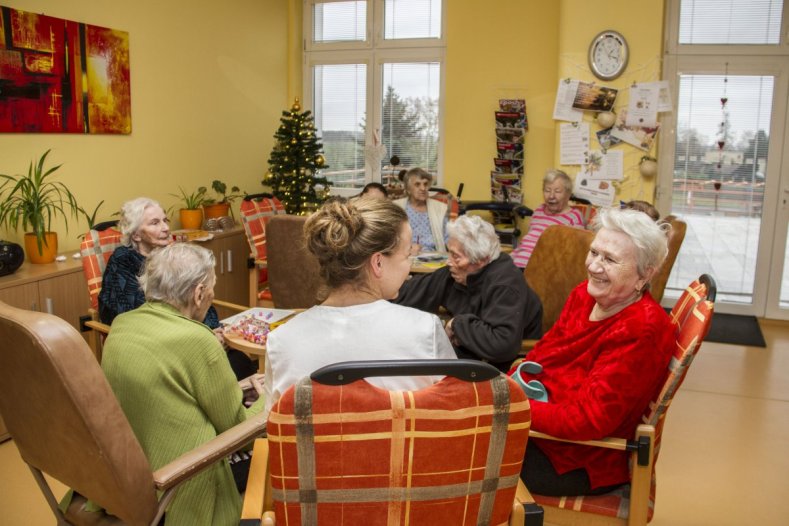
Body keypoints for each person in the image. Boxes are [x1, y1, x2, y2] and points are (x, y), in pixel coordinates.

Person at [510, 207, 676, 496]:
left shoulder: (642, 328)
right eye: (594, 253)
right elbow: (543, 354)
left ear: (644, 274)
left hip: (575, 458)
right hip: (542, 427)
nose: (594, 266)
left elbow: (588, 420)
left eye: (610, 259)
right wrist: (508, 386)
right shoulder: (584, 295)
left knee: (458, 453)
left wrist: (509, 407)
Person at [101, 243, 265, 526]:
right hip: (184, 480)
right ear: (199, 293)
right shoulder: (198, 339)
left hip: (133, 473)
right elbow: (241, 432)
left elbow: (171, 392)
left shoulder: (122, 325)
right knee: (275, 451)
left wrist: (240, 387)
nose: (212, 296)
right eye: (212, 288)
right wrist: (268, 399)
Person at [263, 198, 456, 417]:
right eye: (407, 255)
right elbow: (454, 413)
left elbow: (276, 427)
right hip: (404, 451)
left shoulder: (281, 341)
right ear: (378, 263)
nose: (409, 264)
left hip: (317, 452)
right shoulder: (425, 330)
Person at [98, 197, 255, 379]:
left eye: (165, 220)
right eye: (154, 223)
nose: (165, 228)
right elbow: (137, 313)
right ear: (136, 235)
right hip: (158, 345)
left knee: (240, 361)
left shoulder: (171, 255)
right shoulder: (123, 260)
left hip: (192, 335)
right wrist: (202, 337)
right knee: (225, 371)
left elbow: (200, 297)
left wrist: (212, 331)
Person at [395, 215, 543, 372]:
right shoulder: (455, 273)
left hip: (506, 368)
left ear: (481, 260)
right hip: (470, 357)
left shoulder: (505, 283)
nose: (449, 262)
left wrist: (457, 324)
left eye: (456, 256)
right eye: (449, 252)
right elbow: (407, 293)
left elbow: (502, 344)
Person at [511, 169, 585, 268]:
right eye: (547, 190)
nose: (551, 196)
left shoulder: (574, 217)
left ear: (568, 194)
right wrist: (510, 257)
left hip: (542, 271)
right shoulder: (538, 211)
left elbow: (575, 253)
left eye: (557, 191)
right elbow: (528, 241)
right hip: (516, 266)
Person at [393, 167, 448, 253]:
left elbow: (447, 237)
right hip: (405, 255)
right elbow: (390, 239)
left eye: (425, 184)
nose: (423, 188)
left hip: (434, 257)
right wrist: (408, 248)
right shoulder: (397, 207)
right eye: (417, 184)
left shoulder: (440, 208)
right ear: (408, 189)